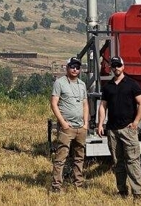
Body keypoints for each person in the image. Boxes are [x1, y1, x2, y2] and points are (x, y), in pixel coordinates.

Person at [97, 56, 141, 199]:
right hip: (112, 129)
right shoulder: (108, 87)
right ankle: (122, 191)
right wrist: (100, 124)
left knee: (132, 161)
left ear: (123, 66)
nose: (116, 68)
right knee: (117, 162)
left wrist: (136, 122)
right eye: (113, 66)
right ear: (111, 68)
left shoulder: (132, 84)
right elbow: (103, 106)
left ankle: (137, 193)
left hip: (128, 129)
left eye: (118, 65)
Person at [50, 56, 89, 192]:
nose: (75, 69)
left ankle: (78, 184)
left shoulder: (82, 84)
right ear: (67, 67)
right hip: (67, 128)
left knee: (79, 157)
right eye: (72, 66)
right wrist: (62, 123)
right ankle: (56, 186)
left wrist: (86, 124)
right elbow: (54, 104)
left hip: (81, 127)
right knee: (61, 157)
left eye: (77, 67)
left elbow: (85, 104)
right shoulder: (60, 83)